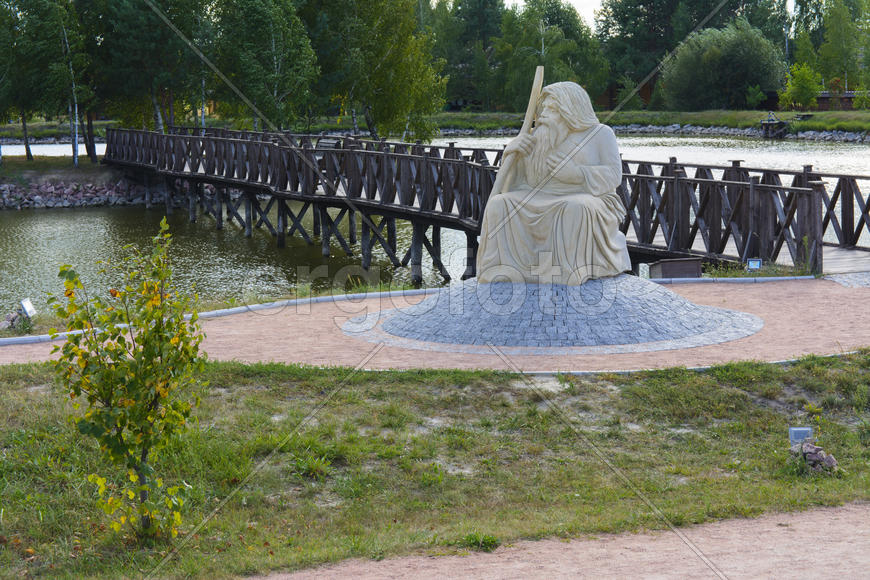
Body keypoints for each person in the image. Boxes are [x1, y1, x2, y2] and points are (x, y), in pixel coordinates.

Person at [476, 81, 631, 285]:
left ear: (571, 110)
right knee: (500, 204)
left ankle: (565, 271)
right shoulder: (536, 137)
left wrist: (576, 174)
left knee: (575, 208)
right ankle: (502, 269)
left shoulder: (600, 134)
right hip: (538, 194)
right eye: (544, 108)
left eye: (553, 109)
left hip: (589, 198)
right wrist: (510, 154)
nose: (544, 115)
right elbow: (511, 185)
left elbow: (613, 175)